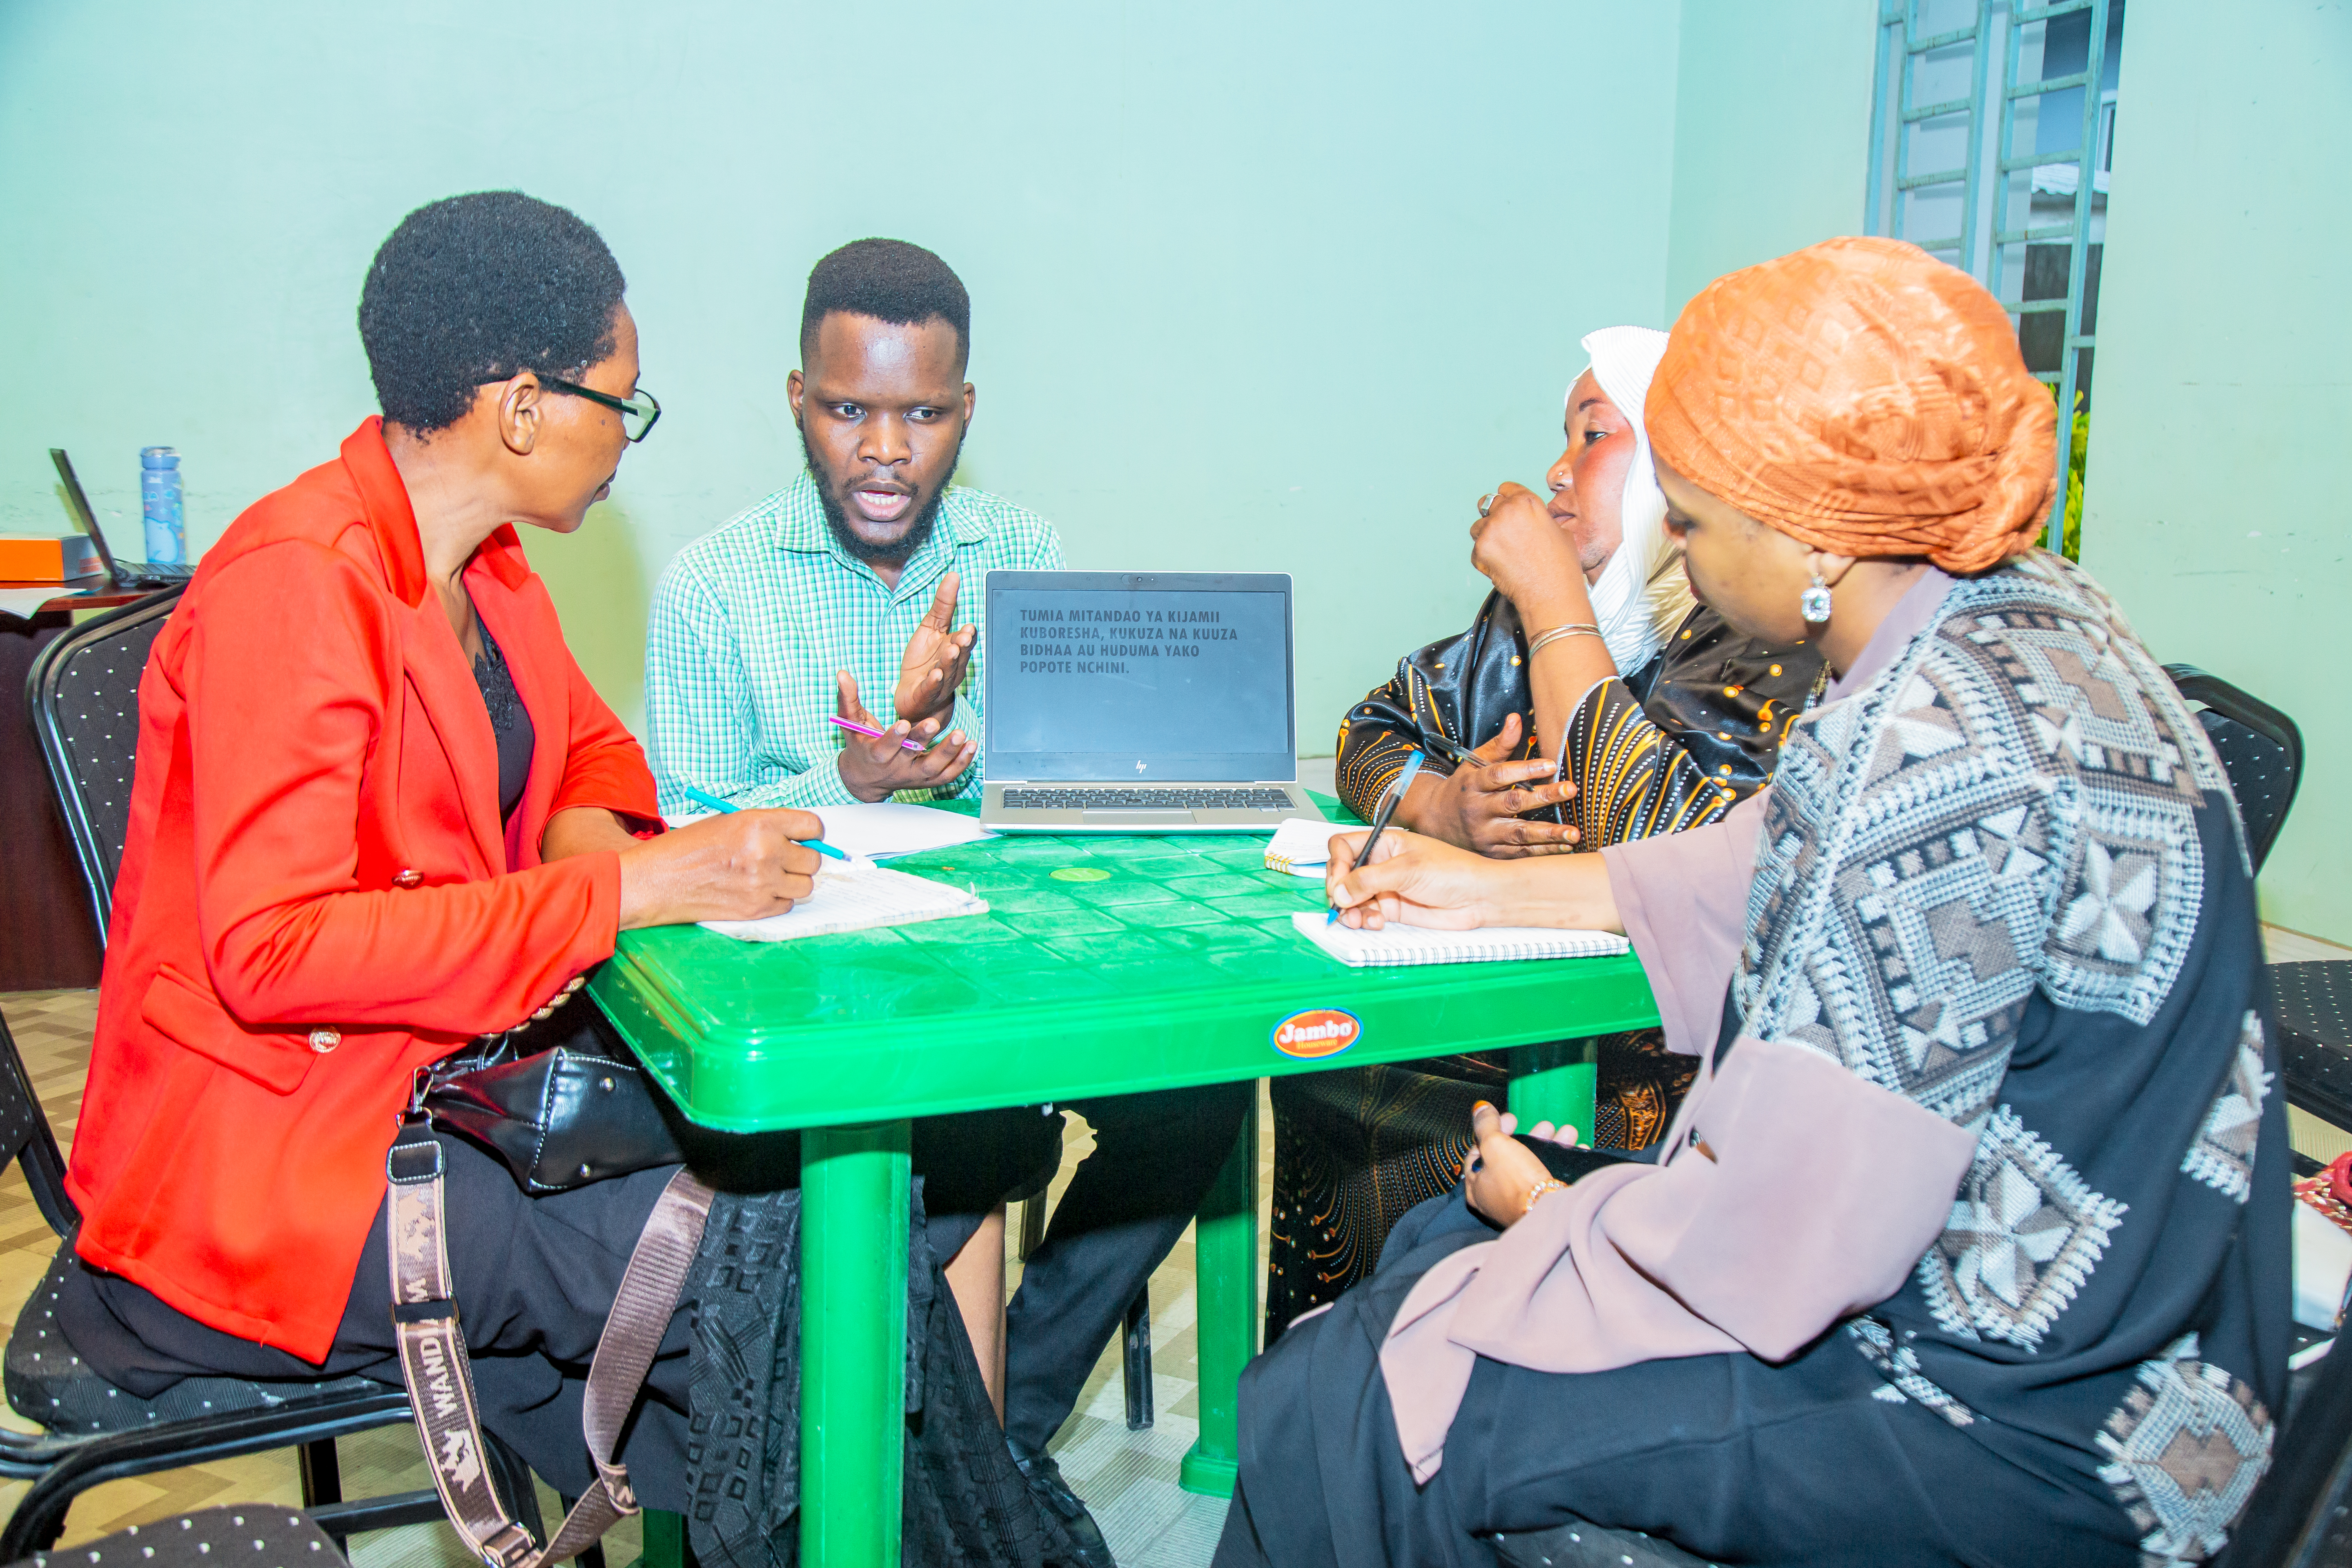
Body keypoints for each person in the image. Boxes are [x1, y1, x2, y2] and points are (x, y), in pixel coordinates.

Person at [1217, 237, 2286, 1568]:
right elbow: (1752, 863)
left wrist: (1553, 1215)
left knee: (1345, 1397)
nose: (1676, 543)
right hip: (2122, 1326)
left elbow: (1786, 1246)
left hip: (1999, 1412)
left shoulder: (1933, 756)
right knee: (1440, 1237)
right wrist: (1484, 885)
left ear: (1817, 532)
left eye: (1693, 519)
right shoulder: (2022, 623)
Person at [50, 194, 1068, 1564]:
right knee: (789, 1269)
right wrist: (625, 895)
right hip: (287, 1153)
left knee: (883, 1184)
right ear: (523, 409)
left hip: (439, 1070)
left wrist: (592, 855)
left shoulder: (487, 568)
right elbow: (273, 952)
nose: (627, 440)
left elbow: (589, 752)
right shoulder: (296, 586)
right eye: (621, 404)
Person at [644, 237, 1247, 1564]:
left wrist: (979, 761)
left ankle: (995, 1427)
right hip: (814, 1021)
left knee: (1202, 1093)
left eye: (922, 414)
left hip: (1000, 983)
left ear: (966, 410)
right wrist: (850, 778)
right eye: (847, 409)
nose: (884, 450)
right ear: (797, 398)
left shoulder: (1019, 551)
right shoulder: (712, 587)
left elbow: (1067, 791)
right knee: (952, 1139)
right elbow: (682, 848)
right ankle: (958, 1459)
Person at [1267, 329, 1829, 1336]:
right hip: (1489, 1001)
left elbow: (1660, 847)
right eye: (1563, 438)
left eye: (1595, 436)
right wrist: (1440, 805)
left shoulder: (1752, 636)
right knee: (1326, 1063)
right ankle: (1357, 1359)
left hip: (1650, 1054)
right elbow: (1368, 733)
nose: (1559, 471)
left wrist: (1551, 599)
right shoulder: (1515, 625)